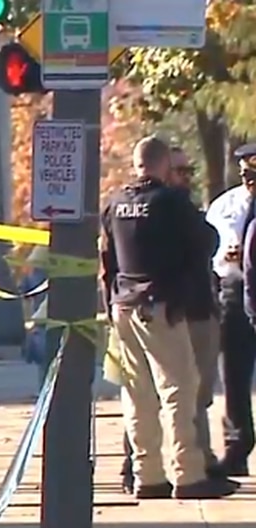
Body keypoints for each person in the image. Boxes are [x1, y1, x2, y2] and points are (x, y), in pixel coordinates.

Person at [101, 135, 235, 499]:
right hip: (161, 305)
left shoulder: (115, 203)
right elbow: (207, 241)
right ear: (163, 166)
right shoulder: (172, 202)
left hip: (123, 306)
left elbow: (107, 259)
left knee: (137, 393)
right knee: (178, 388)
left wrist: (109, 303)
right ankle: (188, 474)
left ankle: (148, 475)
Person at [210, 144, 256, 477]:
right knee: (234, 376)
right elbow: (207, 246)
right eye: (244, 171)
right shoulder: (225, 205)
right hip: (234, 291)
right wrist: (224, 256)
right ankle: (237, 447)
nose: (247, 177)